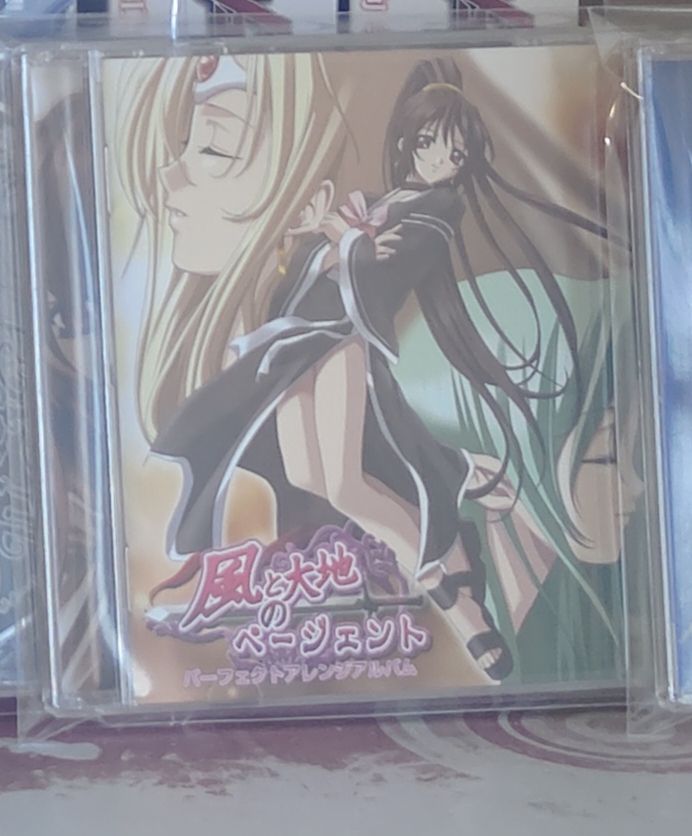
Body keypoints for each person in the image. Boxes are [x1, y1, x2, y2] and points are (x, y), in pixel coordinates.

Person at [118, 53, 608, 682]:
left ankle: (457, 603)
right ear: (408, 140)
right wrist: (323, 242)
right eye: (430, 144)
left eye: (455, 154)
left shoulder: (439, 211)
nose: (439, 161)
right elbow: (306, 271)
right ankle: (451, 496)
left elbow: (379, 275)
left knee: (348, 484)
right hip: (295, 341)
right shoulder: (377, 202)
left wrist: (342, 242)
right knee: (309, 474)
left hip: (343, 341)